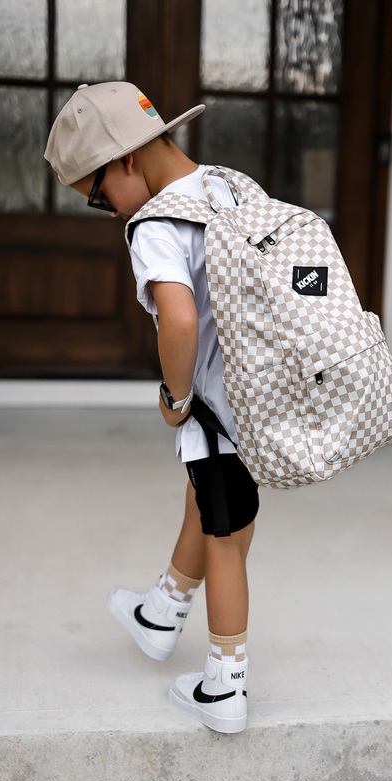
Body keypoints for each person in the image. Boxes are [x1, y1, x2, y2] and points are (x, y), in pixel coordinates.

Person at [44, 81, 260, 735]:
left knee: (226, 537)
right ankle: (163, 612)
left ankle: (224, 686)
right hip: (259, 401)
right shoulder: (225, 185)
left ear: (127, 161)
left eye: (98, 195)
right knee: (209, 503)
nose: (109, 212)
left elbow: (180, 318)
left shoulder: (157, 225)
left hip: (217, 410)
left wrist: (175, 396)